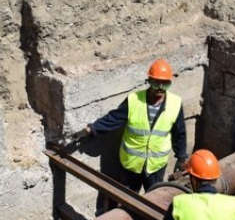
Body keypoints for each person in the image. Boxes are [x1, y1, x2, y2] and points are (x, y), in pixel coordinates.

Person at [75, 58, 188, 194]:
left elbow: (179, 133)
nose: (160, 87)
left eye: (165, 84)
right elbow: (113, 118)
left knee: (153, 199)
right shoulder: (134, 100)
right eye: (156, 82)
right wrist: (90, 129)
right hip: (132, 165)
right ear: (149, 80)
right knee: (129, 200)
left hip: (155, 166)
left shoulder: (175, 104)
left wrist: (181, 157)